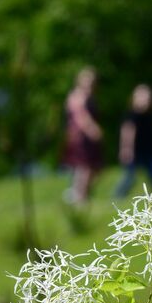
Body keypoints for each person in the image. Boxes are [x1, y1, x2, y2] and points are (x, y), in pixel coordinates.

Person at [62, 67, 103, 204]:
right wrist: (91, 129)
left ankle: (80, 195)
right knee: (84, 168)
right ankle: (78, 197)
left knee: (95, 169)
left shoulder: (90, 96)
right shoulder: (77, 96)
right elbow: (80, 116)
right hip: (80, 138)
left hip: (89, 139)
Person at [115, 84, 152, 197]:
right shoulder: (131, 115)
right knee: (129, 176)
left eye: (147, 98)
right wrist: (126, 149)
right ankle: (118, 196)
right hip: (134, 151)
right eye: (141, 97)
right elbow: (127, 132)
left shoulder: (148, 115)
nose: (144, 101)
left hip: (147, 151)